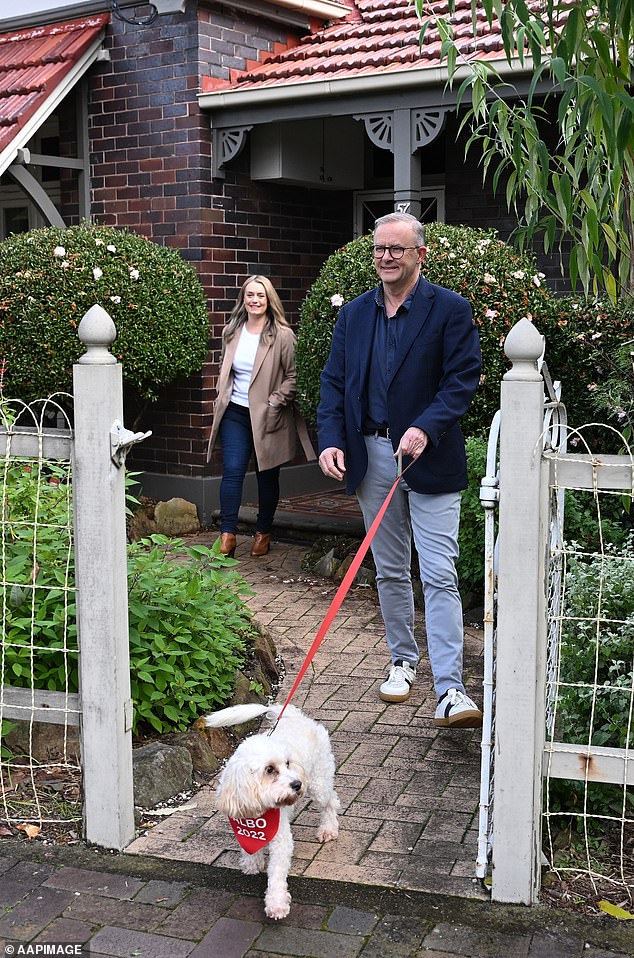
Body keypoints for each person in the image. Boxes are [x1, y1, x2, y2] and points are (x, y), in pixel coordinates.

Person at [317, 212, 482, 728]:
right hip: (372, 459)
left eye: (397, 249)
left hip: (430, 460)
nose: (386, 257)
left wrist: (426, 428)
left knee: (438, 573)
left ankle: (451, 689)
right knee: (388, 569)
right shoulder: (355, 315)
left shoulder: (450, 310)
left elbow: (462, 380)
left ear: (420, 255)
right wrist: (330, 441)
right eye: (379, 249)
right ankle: (402, 660)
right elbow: (333, 383)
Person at [207, 275, 314, 558]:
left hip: (268, 415)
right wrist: (222, 394)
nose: (254, 300)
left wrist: (275, 402)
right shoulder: (232, 330)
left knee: (267, 475)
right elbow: (226, 369)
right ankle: (227, 536)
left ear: (269, 300)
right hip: (235, 413)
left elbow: (294, 376)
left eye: (260, 296)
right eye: (250, 295)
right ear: (244, 298)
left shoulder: (282, 335)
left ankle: (263, 532)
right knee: (232, 471)